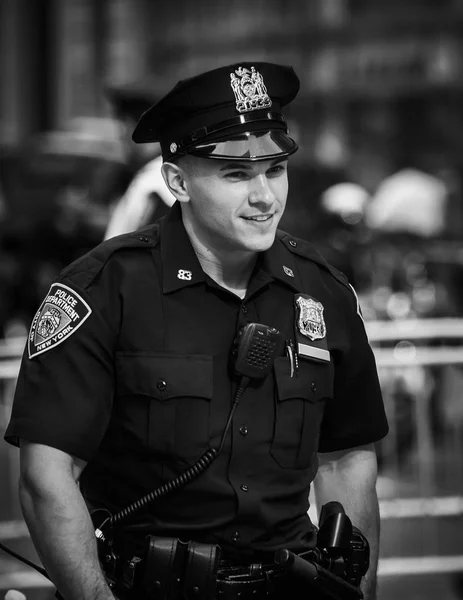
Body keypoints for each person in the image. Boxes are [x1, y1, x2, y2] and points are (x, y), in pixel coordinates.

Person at [4, 62, 388, 600]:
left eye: (274, 170)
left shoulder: (323, 293)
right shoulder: (102, 289)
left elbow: (347, 460)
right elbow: (46, 477)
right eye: (236, 175)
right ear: (177, 181)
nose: (264, 197)